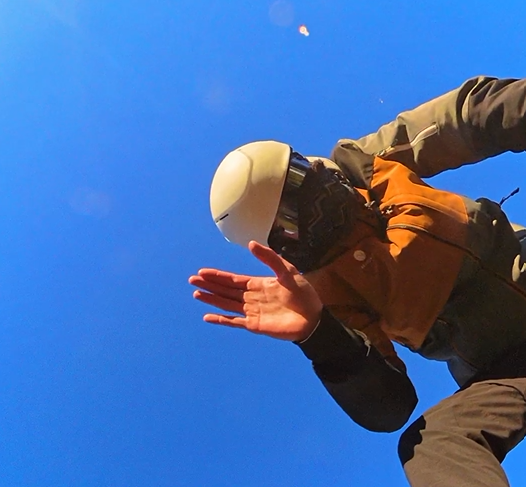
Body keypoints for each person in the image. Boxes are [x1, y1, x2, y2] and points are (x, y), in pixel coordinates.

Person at [189, 75, 526, 487]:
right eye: (289, 220)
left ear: (308, 163)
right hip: (510, 366)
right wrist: (319, 335)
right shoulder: (325, 294)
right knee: (434, 443)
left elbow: (470, 115)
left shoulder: (367, 163)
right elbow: (391, 407)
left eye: (297, 181)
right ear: (282, 243)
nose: (309, 206)